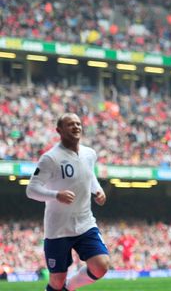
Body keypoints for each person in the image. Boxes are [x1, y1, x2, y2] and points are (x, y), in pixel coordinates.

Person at [25, 113, 110, 291]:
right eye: (70, 124)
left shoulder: (89, 154)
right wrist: (56, 195)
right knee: (56, 281)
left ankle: (69, 287)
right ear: (59, 130)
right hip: (58, 229)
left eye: (78, 124)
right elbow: (31, 189)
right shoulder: (50, 158)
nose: (76, 127)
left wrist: (98, 190)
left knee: (101, 265)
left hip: (85, 222)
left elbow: (88, 174)